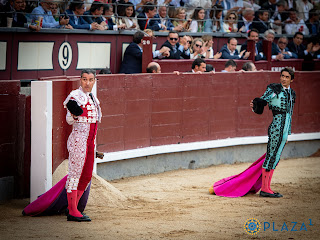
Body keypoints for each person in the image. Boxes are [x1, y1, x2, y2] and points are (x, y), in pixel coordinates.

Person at [250, 67, 296, 198]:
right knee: (271, 156)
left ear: (291, 79)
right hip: (276, 127)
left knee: (276, 157)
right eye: (282, 76)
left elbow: (290, 114)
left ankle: (267, 187)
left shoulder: (292, 94)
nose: (283, 79)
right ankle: (264, 189)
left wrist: (288, 133)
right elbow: (262, 101)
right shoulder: (274, 90)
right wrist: (255, 104)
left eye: (287, 77)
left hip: (285, 129)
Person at [63, 69, 102, 221]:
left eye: (90, 80)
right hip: (79, 141)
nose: (87, 83)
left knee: (85, 176)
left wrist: (94, 147)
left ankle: (73, 208)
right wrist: (74, 111)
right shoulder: (75, 95)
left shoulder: (93, 98)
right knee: (75, 175)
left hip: (90, 143)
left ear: (94, 81)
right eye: (84, 79)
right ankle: (73, 211)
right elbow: (70, 116)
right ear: (80, 80)